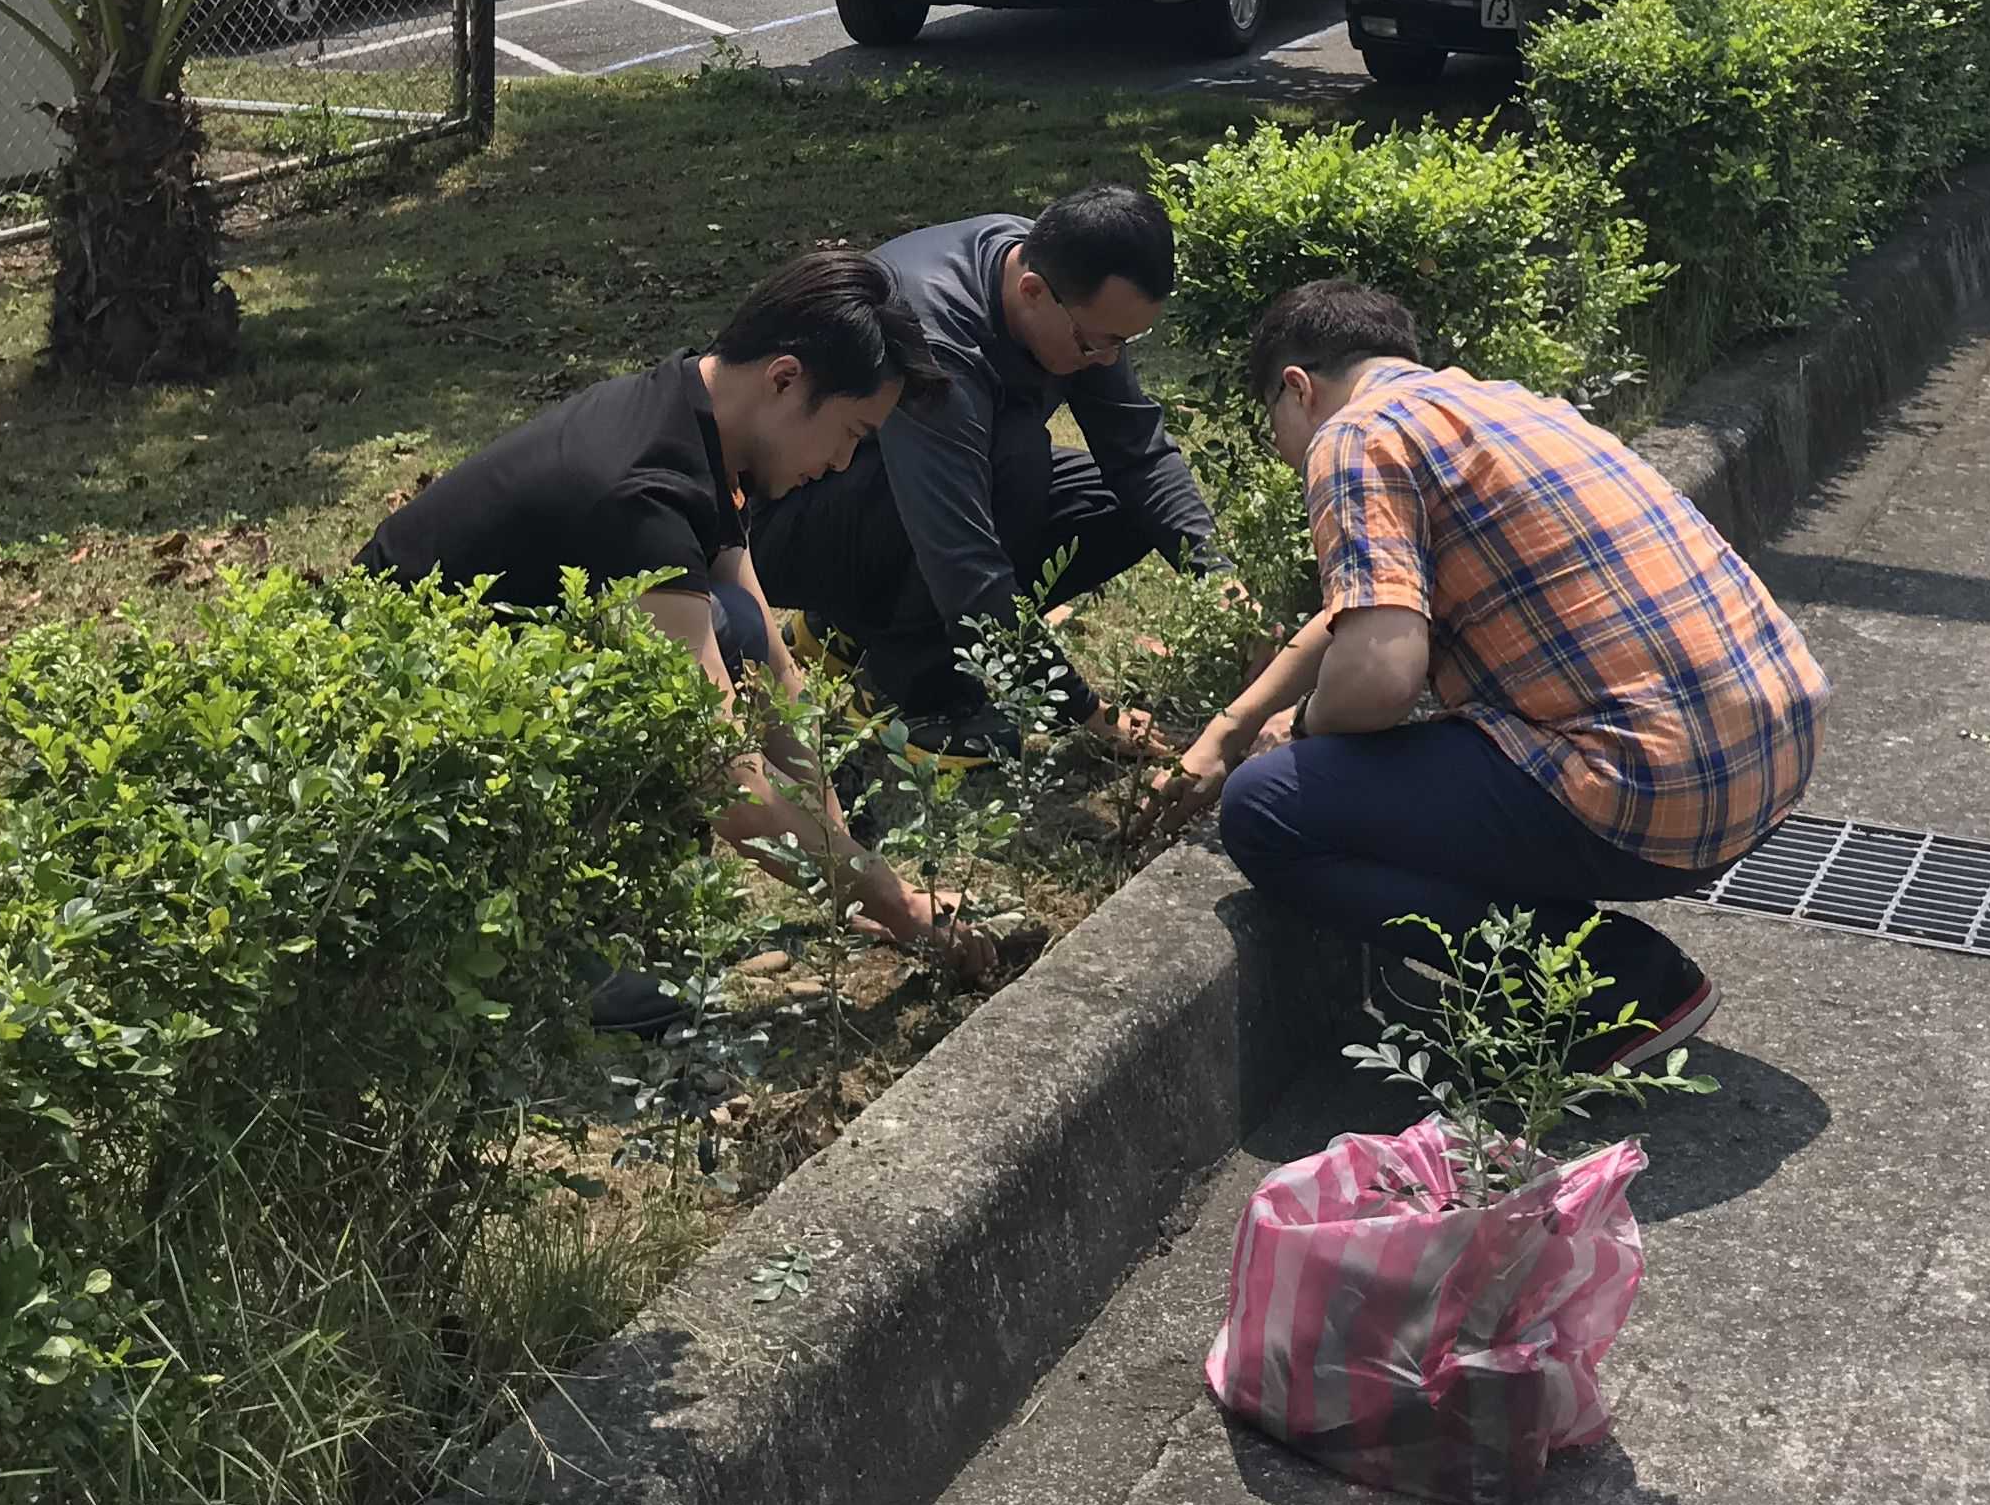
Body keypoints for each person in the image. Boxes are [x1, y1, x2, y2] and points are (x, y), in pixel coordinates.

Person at [1150, 279, 1827, 1063]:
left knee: (1268, 808)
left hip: (1657, 794)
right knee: (1400, 766)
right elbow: (1361, 606)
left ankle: (1623, 984)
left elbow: (1379, 675)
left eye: (1274, 421)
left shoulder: (1353, 436)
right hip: (1771, 757)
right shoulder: (1502, 405)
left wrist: (1294, 739)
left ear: (1296, 388)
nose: (1282, 447)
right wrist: (1231, 724)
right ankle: (1577, 955)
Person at [358, 245, 994, 984]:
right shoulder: (642, 494)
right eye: (852, 434)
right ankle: (557, 955)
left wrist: (845, 869)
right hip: (404, 740)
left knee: (735, 627)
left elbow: (773, 671)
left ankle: (612, 917)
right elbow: (724, 781)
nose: (844, 465)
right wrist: (900, 907)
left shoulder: (697, 418)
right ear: (785, 380)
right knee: (686, 691)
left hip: (487, 683)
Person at [746, 183, 1222, 757]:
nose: (1109, 360)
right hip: (786, 524)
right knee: (1016, 461)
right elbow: (963, 561)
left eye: (1124, 341)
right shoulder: (937, 339)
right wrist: (1084, 710)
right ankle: (919, 691)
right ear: (1032, 292)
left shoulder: (1058, 277)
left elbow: (1139, 452)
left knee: (1122, 506)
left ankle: (847, 629)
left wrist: (1220, 583)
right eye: (1098, 343)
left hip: (889, 496)